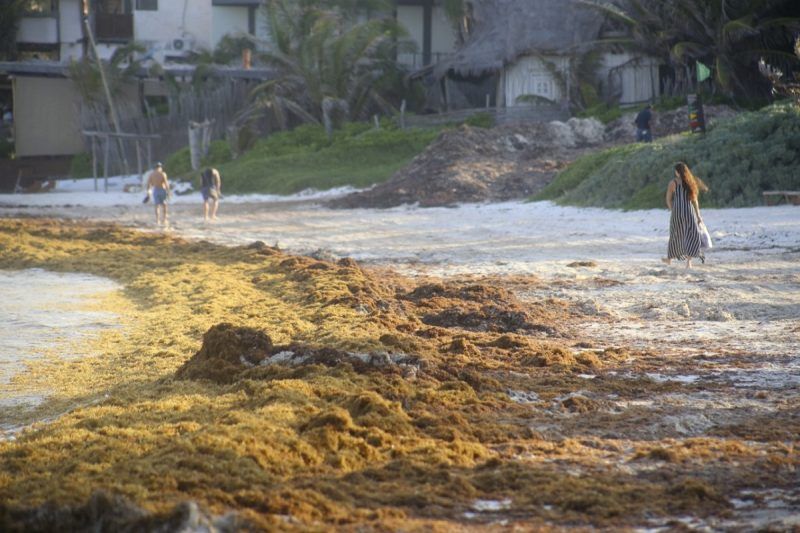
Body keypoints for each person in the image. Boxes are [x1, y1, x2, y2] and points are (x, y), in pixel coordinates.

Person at [663, 162, 709, 269]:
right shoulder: (690, 182)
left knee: (675, 234)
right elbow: (695, 201)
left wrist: (672, 209)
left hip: (677, 212)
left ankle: (669, 259)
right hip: (689, 211)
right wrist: (698, 216)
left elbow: (668, 199)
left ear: (677, 172)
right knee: (691, 235)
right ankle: (689, 263)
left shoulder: (673, 183)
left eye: (675, 171)